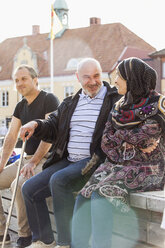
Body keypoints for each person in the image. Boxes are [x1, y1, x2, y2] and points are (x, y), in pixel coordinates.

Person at [20, 58, 120, 248]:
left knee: (58, 180)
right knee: (29, 189)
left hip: (93, 161)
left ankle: (66, 243)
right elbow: (52, 125)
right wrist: (35, 124)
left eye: (97, 76)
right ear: (77, 78)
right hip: (68, 160)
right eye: (87, 77)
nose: (93, 81)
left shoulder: (113, 100)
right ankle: (44, 240)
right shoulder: (70, 103)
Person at [71, 57, 165, 248]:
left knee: (101, 195)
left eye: (118, 77)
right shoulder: (119, 105)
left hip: (149, 168)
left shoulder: (158, 103)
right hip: (117, 165)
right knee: (84, 195)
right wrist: (128, 139)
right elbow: (106, 142)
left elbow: (146, 138)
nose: (114, 81)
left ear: (132, 79)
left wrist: (120, 135)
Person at [0, 65, 59, 248]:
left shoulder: (49, 99)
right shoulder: (20, 106)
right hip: (27, 159)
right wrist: (1, 164)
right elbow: (10, 137)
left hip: (46, 160)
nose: (20, 83)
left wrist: (33, 162)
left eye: (24, 79)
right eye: (16, 80)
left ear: (35, 80)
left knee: (17, 184)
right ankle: (2, 232)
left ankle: (24, 236)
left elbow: (49, 136)